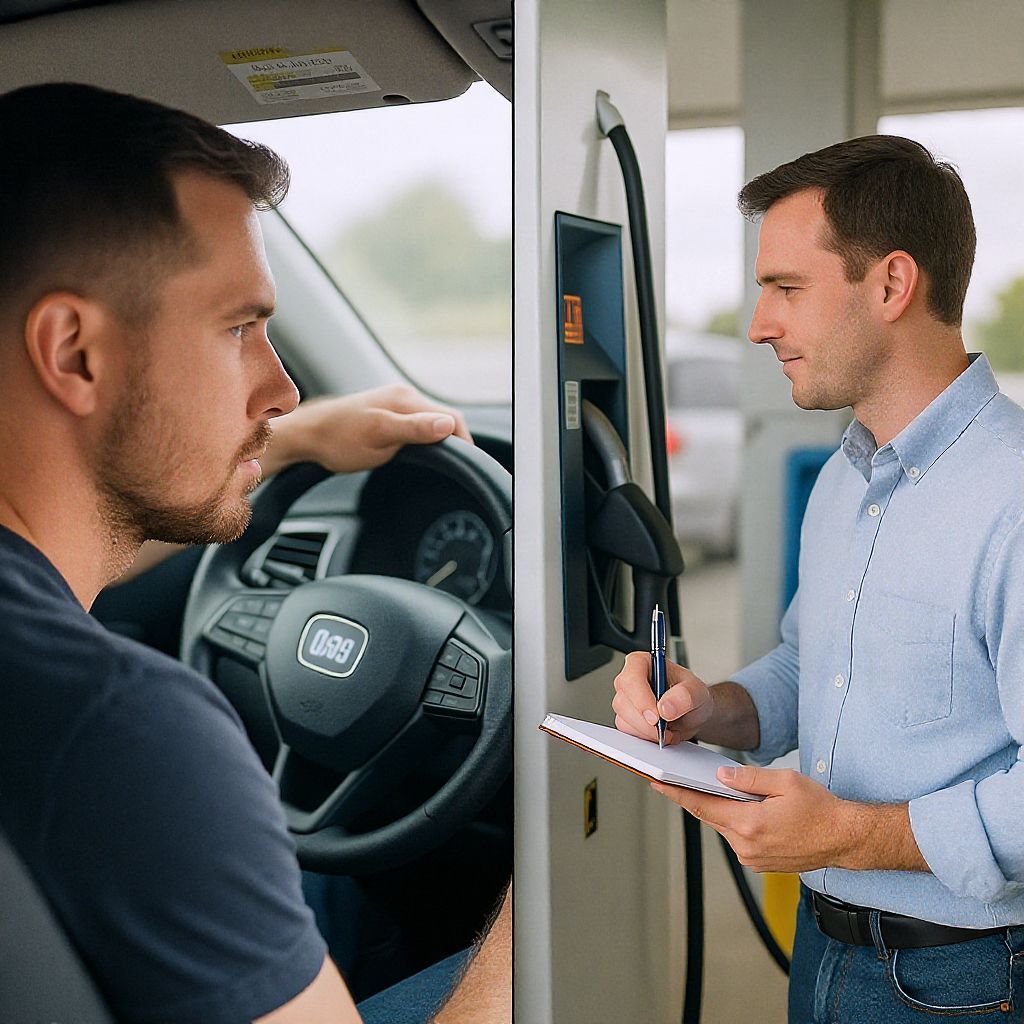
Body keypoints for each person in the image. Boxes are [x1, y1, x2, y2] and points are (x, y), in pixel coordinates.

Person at [0, 81, 510, 1024]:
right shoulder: (121, 730)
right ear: (73, 353)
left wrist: (295, 444)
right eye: (238, 329)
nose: (282, 389)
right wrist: (553, 889)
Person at [612, 135, 1024, 1021]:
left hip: (968, 981)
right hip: (824, 949)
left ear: (891, 284)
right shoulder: (843, 479)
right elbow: (811, 670)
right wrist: (709, 707)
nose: (759, 325)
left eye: (786, 288)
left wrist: (848, 834)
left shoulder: (1014, 499)